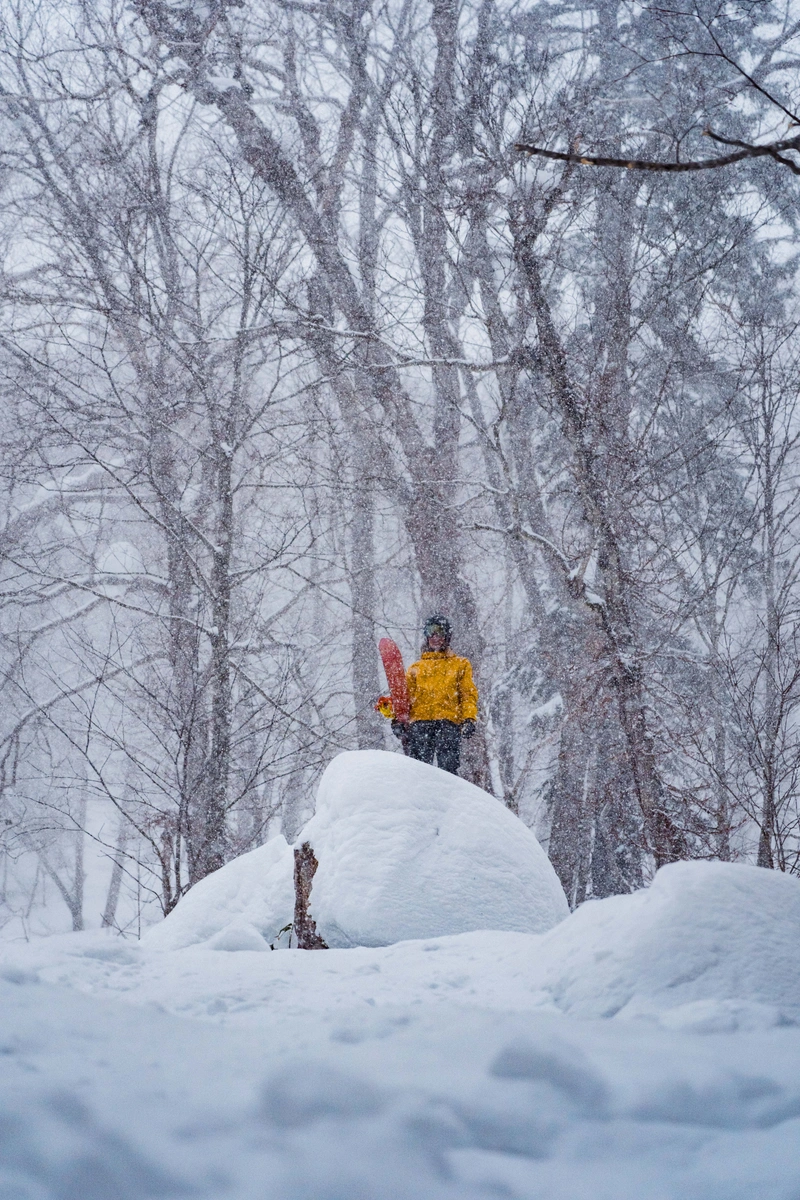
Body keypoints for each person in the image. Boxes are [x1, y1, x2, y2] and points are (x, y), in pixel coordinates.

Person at [393, 614, 478, 774]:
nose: (434, 636)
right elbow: (404, 699)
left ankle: (448, 797)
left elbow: (468, 695)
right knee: (419, 771)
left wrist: (469, 719)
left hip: (448, 723)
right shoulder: (415, 668)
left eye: (439, 631)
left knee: (448, 770)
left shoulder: (460, 665)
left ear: (447, 635)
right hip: (419, 724)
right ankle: (420, 798)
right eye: (430, 631)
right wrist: (397, 720)